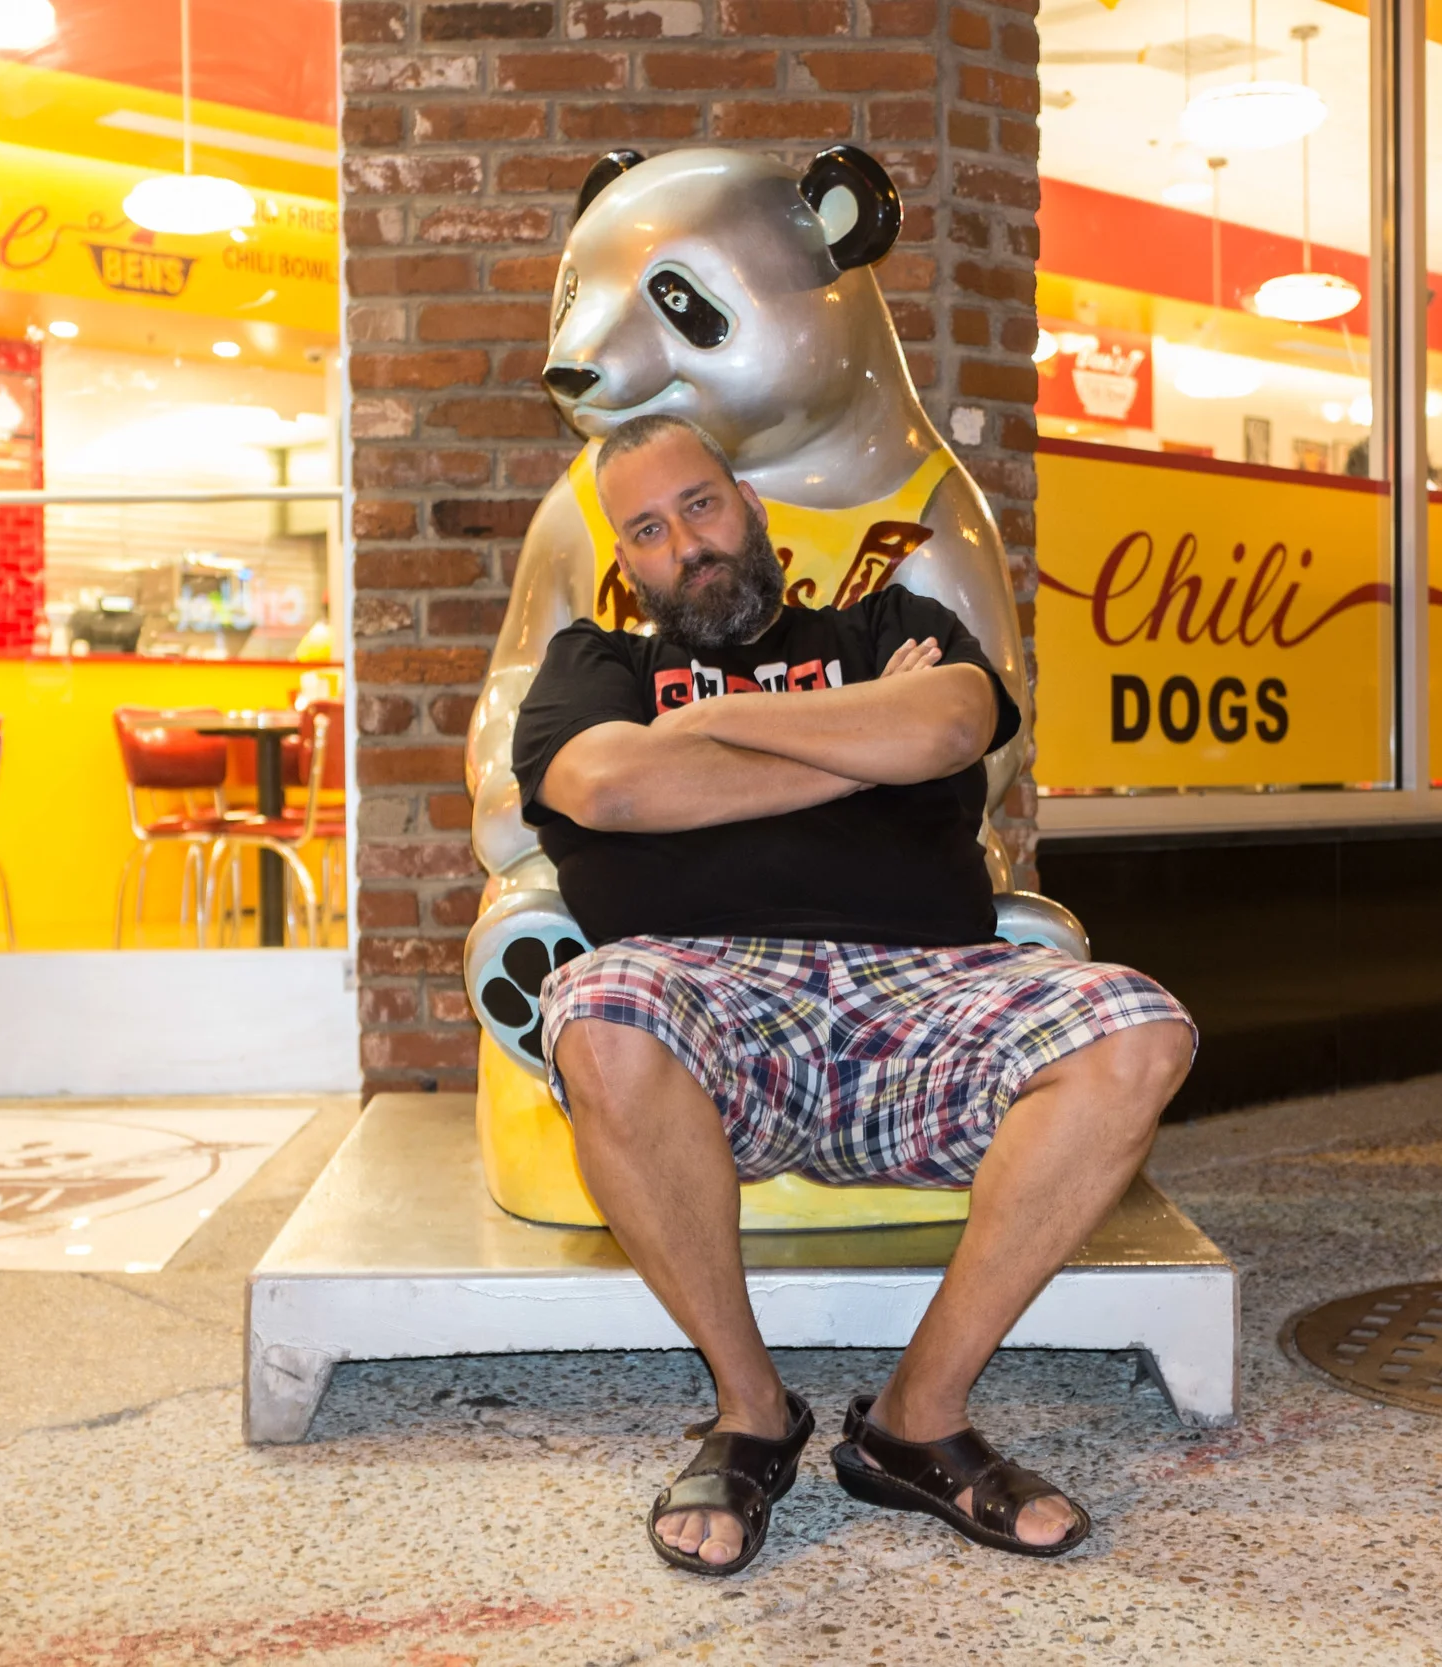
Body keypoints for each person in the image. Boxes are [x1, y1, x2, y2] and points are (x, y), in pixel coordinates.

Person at [511, 413, 1195, 1576]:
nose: (688, 540)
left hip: (929, 989)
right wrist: (852, 744)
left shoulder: (890, 624)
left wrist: (714, 723)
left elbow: (950, 721)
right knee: (601, 1006)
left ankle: (916, 1418)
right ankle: (751, 1412)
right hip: (704, 995)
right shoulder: (599, 666)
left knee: (1136, 1027)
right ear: (626, 564)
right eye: (648, 528)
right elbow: (610, 788)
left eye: (702, 504)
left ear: (754, 505)